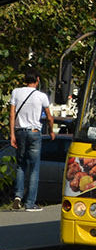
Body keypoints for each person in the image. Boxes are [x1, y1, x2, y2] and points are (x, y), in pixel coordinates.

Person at [10, 67, 56, 211]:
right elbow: (49, 116)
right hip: (35, 133)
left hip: (19, 132)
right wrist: (51, 131)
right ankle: (30, 203)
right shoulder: (42, 96)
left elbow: (12, 115)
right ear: (37, 80)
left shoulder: (16, 92)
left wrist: (12, 134)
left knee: (20, 165)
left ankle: (17, 196)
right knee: (34, 168)